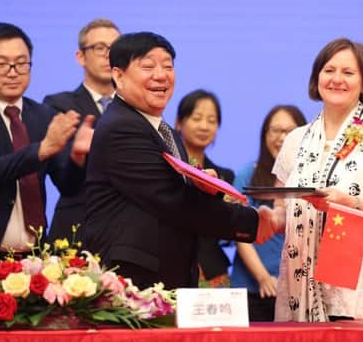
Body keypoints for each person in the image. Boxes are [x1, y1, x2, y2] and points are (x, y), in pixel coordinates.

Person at [84, 31, 276, 290]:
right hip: (132, 284)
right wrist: (253, 223)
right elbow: (174, 201)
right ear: (118, 75)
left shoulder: (165, 132)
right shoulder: (123, 127)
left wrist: (206, 189)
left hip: (168, 277)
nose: (161, 75)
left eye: (168, 66)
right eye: (148, 66)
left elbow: (178, 197)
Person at [271, 38, 363, 322]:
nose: (337, 79)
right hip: (302, 279)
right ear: (317, 78)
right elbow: (283, 209)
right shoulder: (296, 140)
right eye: (329, 70)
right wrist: (267, 218)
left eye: (348, 72)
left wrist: (350, 203)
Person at [0, 22, 92, 271]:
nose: (13, 72)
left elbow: (67, 186)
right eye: (1, 64)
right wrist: (42, 149)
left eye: (21, 63)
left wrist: (78, 156)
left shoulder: (42, 114)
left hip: (33, 260)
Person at [43, 18, 121, 244]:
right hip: (78, 231)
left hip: (128, 234)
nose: (108, 55)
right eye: (99, 48)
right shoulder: (59, 106)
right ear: (80, 57)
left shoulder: (138, 108)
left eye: (114, 48)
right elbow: (65, 181)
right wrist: (77, 156)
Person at [231, 105, 307, 322]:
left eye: (289, 131)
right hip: (253, 288)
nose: (281, 138)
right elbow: (240, 233)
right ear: (265, 135)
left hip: (298, 287)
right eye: (275, 130)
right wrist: (263, 277)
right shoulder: (248, 175)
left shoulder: (310, 180)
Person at [174, 89, 234, 288]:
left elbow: (227, 234)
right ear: (179, 122)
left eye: (212, 120)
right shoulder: (167, 168)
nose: (204, 126)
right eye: (197, 118)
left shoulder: (225, 176)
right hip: (172, 267)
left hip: (213, 272)